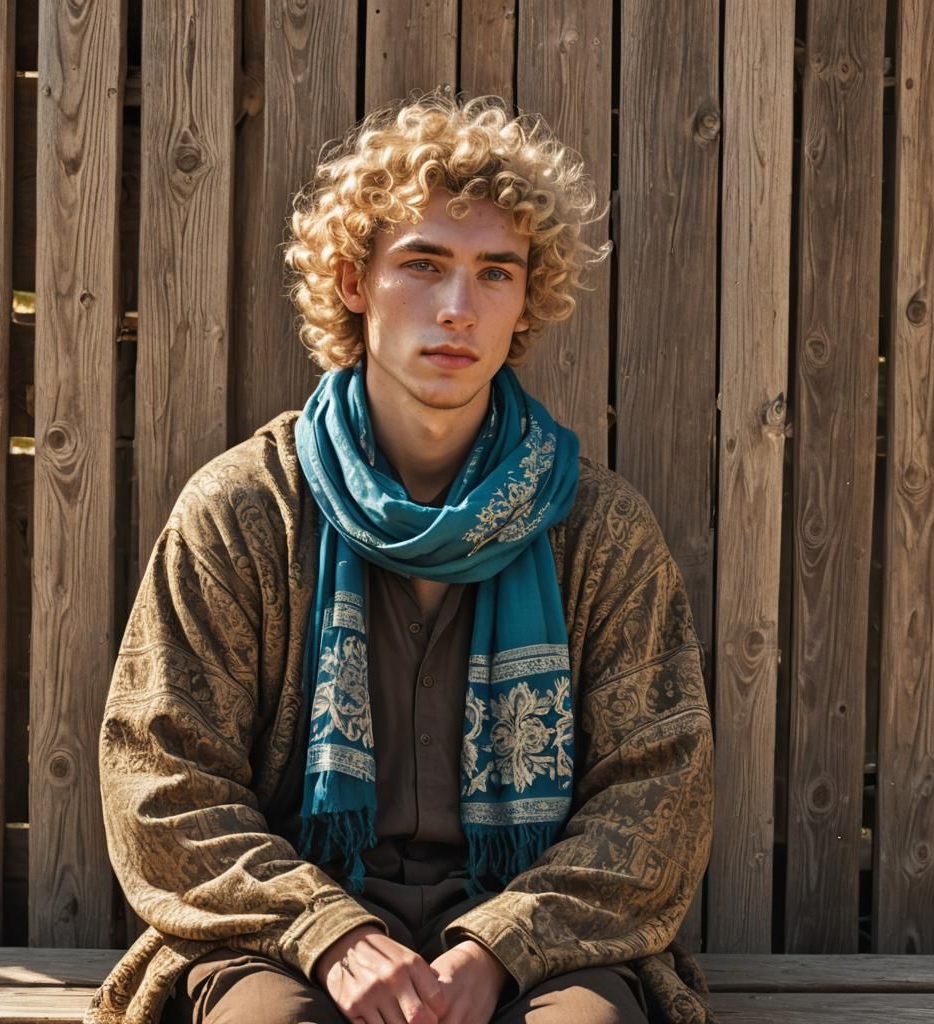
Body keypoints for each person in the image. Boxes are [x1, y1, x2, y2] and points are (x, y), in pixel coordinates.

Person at [86, 92, 715, 1024]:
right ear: (352, 281)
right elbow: (159, 777)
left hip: (537, 938)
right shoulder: (244, 511)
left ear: (524, 304)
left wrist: (504, 946)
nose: (459, 308)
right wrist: (329, 935)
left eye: (495, 273)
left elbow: (659, 792)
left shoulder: (600, 529)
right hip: (286, 934)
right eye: (423, 264)